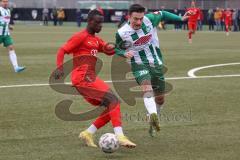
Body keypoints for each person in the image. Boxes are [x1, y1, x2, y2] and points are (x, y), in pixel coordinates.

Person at [55, 9, 136, 148]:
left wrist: (120, 48)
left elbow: (107, 49)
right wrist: (60, 69)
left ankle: (87, 133)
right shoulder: (81, 37)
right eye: (98, 23)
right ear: (90, 22)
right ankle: (120, 136)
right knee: (113, 100)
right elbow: (62, 50)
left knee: (110, 106)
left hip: (88, 79)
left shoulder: (95, 39)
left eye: (101, 23)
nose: (100, 26)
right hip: (83, 79)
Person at [115, 4, 189, 136]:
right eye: (135, 19)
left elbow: (163, 14)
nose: (139, 22)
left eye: (141, 19)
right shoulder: (122, 33)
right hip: (138, 64)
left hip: (156, 63)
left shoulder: (149, 19)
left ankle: (154, 117)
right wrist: (123, 53)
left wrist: (181, 18)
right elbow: (117, 48)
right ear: (129, 17)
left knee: (160, 99)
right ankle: (153, 114)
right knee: (146, 87)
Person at [0, 0, 25, 72]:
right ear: (0, 2)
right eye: (3, 2)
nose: (5, 3)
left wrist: (9, 26)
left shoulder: (8, 10)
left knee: (11, 48)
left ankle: (16, 67)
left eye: (6, 2)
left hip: (6, 34)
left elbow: (5, 21)